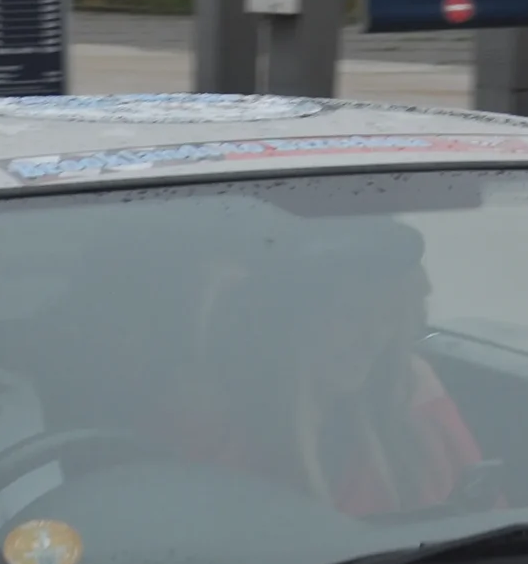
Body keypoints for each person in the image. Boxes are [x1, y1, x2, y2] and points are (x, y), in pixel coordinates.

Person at [172, 217, 485, 517]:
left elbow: (481, 523)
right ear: (285, 321)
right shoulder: (210, 433)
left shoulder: (411, 405)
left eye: (389, 316)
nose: (374, 338)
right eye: (352, 314)